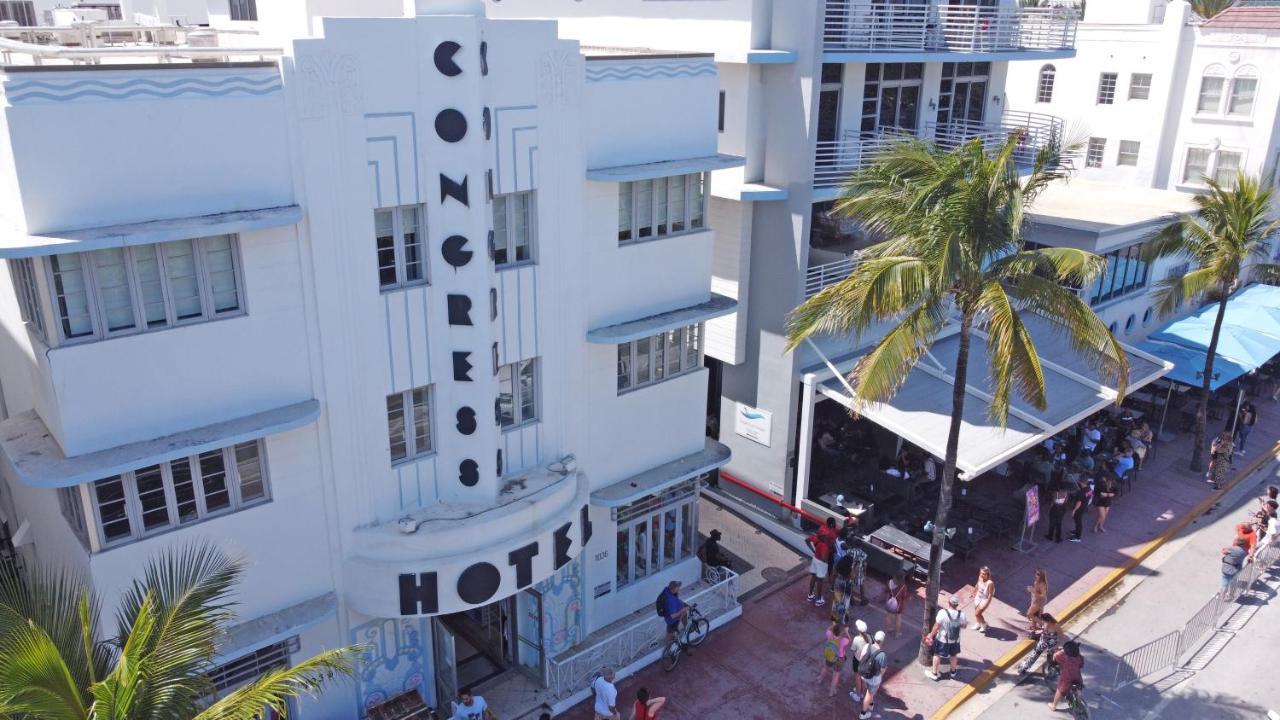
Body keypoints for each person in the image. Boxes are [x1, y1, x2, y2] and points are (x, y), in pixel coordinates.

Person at [926, 594, 967, 681]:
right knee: (953, 655)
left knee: (937, 654)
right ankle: (953, 672)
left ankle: (934, 673)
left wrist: (931, 635)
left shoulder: (943, 613)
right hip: (955, 640)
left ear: (949, 603)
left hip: (942, 640)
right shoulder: (962, 615)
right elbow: (964, 626)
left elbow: (937, 626)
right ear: (957, 605)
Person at [851, 631, 887, 720]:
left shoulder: (867, 646)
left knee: (869, 690)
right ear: (882, 641)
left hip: (864, 674)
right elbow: (883, 670)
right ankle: (863, 713)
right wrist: (880, 677)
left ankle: (871, 704)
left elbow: (862, 657)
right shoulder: (882, 655)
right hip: (874, 677)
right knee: (870, 694)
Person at [805, 518, 837, 606]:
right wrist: (825, 562)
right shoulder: (825, 546)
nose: (827, 537)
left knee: (813, 577)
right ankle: (819, 599)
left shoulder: (816, 537)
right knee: (820, 580)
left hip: (815, 558)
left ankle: (810, 595)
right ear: (823, 537)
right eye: (825, 536)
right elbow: (824, 556)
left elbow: (807, 540)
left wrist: (813, 550)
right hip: (821, 562)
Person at [1048, 641, 1085, 712]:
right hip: (1077, 676)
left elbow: (1056, 657)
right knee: (1078, 684)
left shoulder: (1064, 657)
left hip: (1067, 678)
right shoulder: (1079, 657)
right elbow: (1081, 665)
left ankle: (1054, 705)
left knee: (1060, 690)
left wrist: (1056, 654)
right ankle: (1078, 695)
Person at [817, 621, 852, 696]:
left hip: (830, 655)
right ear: (841, 633)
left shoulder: (829, 634)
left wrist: (833, 626)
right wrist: (846, 632)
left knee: (825, 667)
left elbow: (828, 629)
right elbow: (850, 639)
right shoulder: (844, 640)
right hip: (839, 658)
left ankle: (820, 679)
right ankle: (831, 691)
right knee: (836, 675)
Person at [659, 581, 688, 646]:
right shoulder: (671, 601)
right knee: (670, 637)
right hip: (672, 621)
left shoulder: (667, 590)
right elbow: (673, 616)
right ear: (674, 589)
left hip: (669, 617)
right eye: (678, 587)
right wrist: (683, 609)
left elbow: (676, 600)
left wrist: (681, 604)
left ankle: (685, 628)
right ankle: (668, 652)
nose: (679, 589)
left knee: (684, 613)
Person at [1068, 475, 1091, 543]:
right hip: (1084, 507)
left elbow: (1079, 502)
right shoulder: (1089, 488)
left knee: (1078, 522)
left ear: (1081, 482)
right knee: (1078, 521)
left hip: (1079, 509)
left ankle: (1077, 537)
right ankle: (1076, 531)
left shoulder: (1081, 492)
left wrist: (1074, 510)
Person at [886, 571, 909, 637]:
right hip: (899, 604)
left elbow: (886, 590)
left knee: (889, 616)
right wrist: (904, 607)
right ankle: (897, 633)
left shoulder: (890, 582)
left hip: (890, 602)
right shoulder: (903, 586)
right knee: (898, 618)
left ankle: (888, 629)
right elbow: (904, 597)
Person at [1026, 568, 1049, 636]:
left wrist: (1032, 591)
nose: (1036, 575)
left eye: (1038, 574)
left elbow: (1043, 594)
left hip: (1039, 601)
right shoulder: (1038, 581)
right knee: (1035, 614)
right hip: (1035, 600)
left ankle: (1044, 625)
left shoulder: (1042, 584)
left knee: (1029, 614)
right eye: (1035, 573)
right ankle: (1034, 627)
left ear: (1041, 575)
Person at [972, 566, 994, 633]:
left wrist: (987, 603)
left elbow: (990, 595)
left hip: (984, 600)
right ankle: (978, 624)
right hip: (978, 597)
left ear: (987, 574)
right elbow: (977, 584)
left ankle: (984, 625)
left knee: (977, 614)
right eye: (981, 573)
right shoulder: (980, 577)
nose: (982, 575)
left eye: (984, 574)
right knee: (976, 612)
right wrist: (974, 591)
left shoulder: (990, 583)